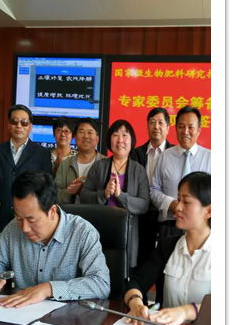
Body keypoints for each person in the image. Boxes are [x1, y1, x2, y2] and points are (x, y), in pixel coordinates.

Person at [0, 171, 111, 306]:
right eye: (19, 217)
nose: (24, 228)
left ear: (52, 212)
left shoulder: (82, 233)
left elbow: (101, 284)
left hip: (68, 317)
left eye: (31, 220)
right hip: (21, 314)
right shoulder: (14, 228)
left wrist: (48, 289)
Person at [124, 172, 210, 325]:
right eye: (178, 199)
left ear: (208, 211)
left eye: (186, 202)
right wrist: (136, 303)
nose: (178, 207)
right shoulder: (168, 245)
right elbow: (136, 283)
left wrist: (187, 311)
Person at [81, 119, 149, 271]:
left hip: (127, 235)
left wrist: (120, 195)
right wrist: (103, 194)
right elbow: (84, 196)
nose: (120, 140)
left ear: (132, 141)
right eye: (115, 135)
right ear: (109, 139)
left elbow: (144, 205)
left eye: (125, 135)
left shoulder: (139, 170)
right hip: (99, 231)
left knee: (122, 274)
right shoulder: (98, 166)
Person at [0, 105, 53, 244]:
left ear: (30, 127)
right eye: (14, 121)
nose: (19, 126)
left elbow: (47, 189)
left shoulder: (42, 154)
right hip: (0, 221)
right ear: (8, 125)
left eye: (24, 123)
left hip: (30, 225)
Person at [150, 106, 211, 239]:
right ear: (176, 128)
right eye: (181, 127)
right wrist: (171, 204)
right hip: (169, 225)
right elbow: (153, 190)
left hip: (200, 228)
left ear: (199, 130)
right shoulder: (165, 156)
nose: (185, 132)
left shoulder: (210, 158)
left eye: (191, 127)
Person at [130, 108, 175, 268]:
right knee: (143, 258)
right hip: (143, 213)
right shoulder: (135, 154)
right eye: (152, 122)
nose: (156, 126)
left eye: (161, 123)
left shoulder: (175, 154)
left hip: (167, 214)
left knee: (167, 259)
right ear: (147, 126)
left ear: (168, 128)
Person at [55, 118, 106, 205]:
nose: (86, 136)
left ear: (97, 139)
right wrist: (69, 191)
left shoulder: (106, 164)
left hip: (97, 213)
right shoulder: (65, 164)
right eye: (81, 132)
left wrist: (84, 191)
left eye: (90, 132)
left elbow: (109, 197)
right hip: (70, 213)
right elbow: (54, 195)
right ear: (75, 138)